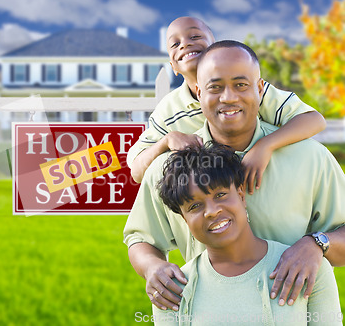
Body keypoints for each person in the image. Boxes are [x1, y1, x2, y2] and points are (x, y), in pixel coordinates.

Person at [123, 40, 345, 313]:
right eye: (215, 87)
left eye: (241, 85)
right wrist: (152, 267)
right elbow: (140, 238)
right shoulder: (169, 169)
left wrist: (317, 244)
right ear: (198, 91)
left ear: (260, 88)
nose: (228, 97)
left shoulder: (311, 158)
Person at [127, 17, 326, 197]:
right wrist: (166, 141)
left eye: (195, 36)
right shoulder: (169, 110)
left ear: (215, 47)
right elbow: (136, 170)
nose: (185, 44)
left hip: (265, 186)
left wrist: (265, 145)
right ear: (173, 67)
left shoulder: (249, 90)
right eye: (175, 44)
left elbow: (313, 120)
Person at [152, 143, 342, 326]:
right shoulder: (171, 289)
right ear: (185, 220)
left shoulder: (306, 268)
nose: (211, 211)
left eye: (220, 195)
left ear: (241, 196)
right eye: (194, 206)